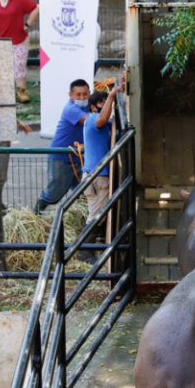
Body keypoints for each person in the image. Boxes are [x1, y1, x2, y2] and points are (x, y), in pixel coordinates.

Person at [33, 79, 90, 214]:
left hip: (79, 157)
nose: (82, 98)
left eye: (85, 94)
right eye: (78, 95)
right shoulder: (71, 109)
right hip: (61, 157)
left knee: (83, 191)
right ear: (71, 95)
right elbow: (90, 122)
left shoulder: (89, 105)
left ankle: (83, 218)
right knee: (55, 190)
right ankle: (36, 213)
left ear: (89, 93)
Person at [76, 87, 120, 263]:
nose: (105, 105)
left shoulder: (98, 124)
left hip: (95, 176)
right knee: (96, 216)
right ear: (93, 107)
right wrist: (111, 96)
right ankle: (84, 252)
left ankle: (85, 250)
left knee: (96, 214)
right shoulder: (95, 119)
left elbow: (112, 122)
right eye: (101, 102)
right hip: (97, 177)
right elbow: (104, 118)